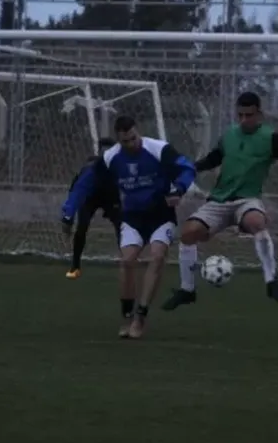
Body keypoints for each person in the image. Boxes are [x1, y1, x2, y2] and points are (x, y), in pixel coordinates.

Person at [162, 91, 278, 310]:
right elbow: (213, 159)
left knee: (257, 222)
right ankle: (187, 290)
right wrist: (189, 168)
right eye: (240, 115)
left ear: (260, 114)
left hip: (247, 200)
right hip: (219, 201)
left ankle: (271, 281)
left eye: (249, 115)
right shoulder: (229, 136)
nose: (244, 120)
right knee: (188, 233)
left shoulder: (272, 139)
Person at [62, 115, 196, 340]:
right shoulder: (110, 158)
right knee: (127, 261)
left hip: (160, 215)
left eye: (134, 138)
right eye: (125, 141)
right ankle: (126, 315)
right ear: (118, 139)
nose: (131, 144)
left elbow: (187, 168)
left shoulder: (158, 149)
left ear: (138, 131)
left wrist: (179, 189)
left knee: (157, 256)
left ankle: (140, 317)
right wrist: (68, 213)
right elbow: (84, 184)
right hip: (132, 217)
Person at [65, 137, 122, 280]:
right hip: (90, 198)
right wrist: (68, 216)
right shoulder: (91, 169)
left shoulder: (121, 166)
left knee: (122, 228)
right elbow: (76, 192)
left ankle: (127, 263)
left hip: (110, 198)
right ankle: (75, 265)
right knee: (82, 227)